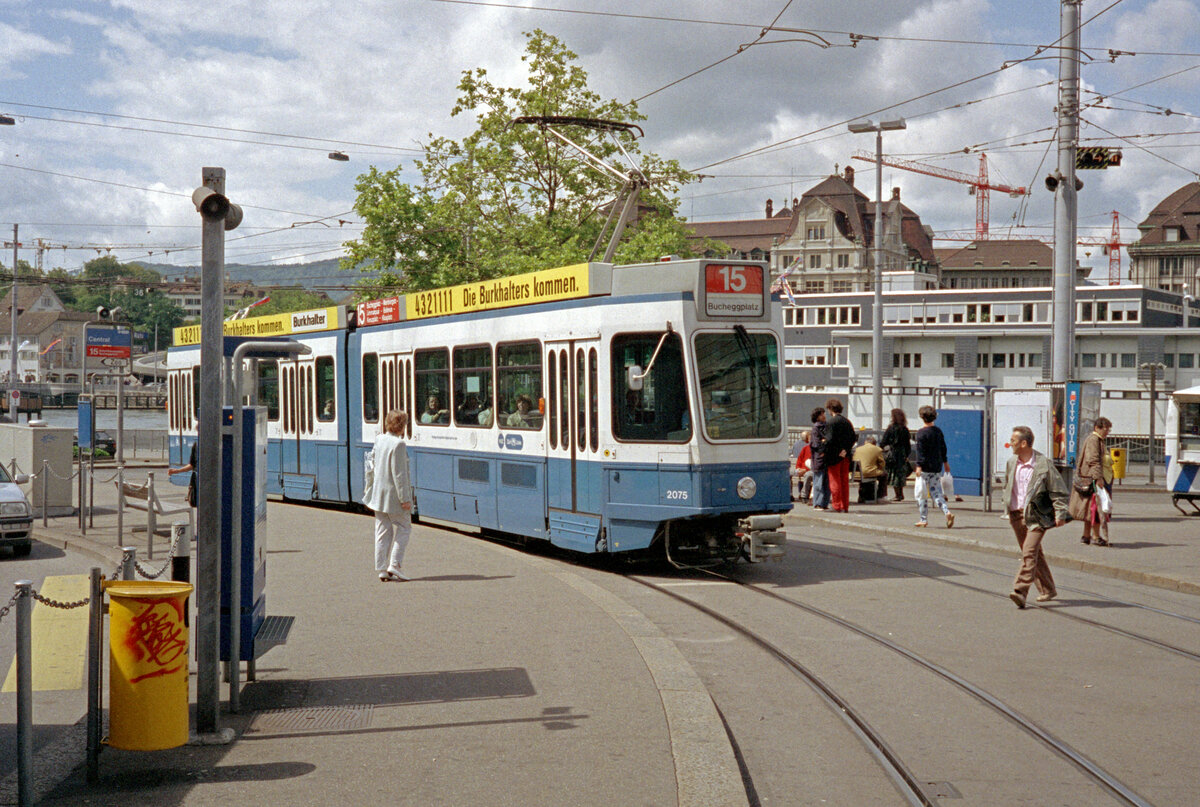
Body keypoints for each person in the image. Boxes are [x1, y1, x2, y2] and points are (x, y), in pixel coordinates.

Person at [1002, 424, 1070, 608]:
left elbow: (1058, 490)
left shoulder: (1042, 464)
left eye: (1013, 441)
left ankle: (1020, 591)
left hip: (1037, 516)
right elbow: (1007, 486)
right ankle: (1048, 589)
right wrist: (1006, 506)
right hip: (1016, 515)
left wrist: (1060, 513)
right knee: (1034, 553)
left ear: (1023, 443)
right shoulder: (1011, 463)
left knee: (1029, 552)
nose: (1010, 443)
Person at [364, 409, 415, 582]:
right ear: (401, 426)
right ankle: (395, 565)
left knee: (382, 531)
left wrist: (368, 489)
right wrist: (405, 499)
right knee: (404, 527)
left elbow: (371, 465)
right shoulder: (398, 444)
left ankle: (382, 569)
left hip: (378, 496)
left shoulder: (379, 439)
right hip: (394, 497)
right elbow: (399, 475)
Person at [1073, 416, 1114, 546]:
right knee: (1097, 509)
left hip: (1094, 479)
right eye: (1105, 429)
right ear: (1097, 428)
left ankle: (1086, 535)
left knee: (1090, 509)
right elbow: (1094, 460)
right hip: (1094, 480)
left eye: (1109, 429)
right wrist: (1098, 478)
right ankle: (1096, 537)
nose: (1107, 432)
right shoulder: (1094, 440)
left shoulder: (1098, 440)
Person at [913, 405, 954, 528]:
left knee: (922, 493)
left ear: (922, 417)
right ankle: (947, 511)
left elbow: (920, 451)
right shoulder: (938, 431)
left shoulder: (920, 433)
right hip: (936, 466)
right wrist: (945, 462)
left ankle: (923, 519)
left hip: (924, 467)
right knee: (936, 492)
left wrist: (919, 466)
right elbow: (943, 448)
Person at [823, 398, 855, 513]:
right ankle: (845, 505)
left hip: (833, 456)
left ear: (830, 408)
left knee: (835, 481)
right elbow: (853, 438)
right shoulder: (847, 422)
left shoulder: (831, 422)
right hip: (845, 456)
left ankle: (837, 505)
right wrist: (846, 450)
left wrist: (823, 450)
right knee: (844, 481)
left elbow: (829, 439)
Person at [880, 408, 912, 502]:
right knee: (899, 474)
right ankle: (900, 494)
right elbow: (908, 445)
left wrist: (885, 449)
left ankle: (898, 495)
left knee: (893, 474)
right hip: (901, 455)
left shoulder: (891, 428)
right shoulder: (905, 429)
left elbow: (883, 442)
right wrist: (906, 455)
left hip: (893, 454)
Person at [854, 436, 886, 503]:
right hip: (869, 472)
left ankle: (861, 496)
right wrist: (879, 468)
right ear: (874, 443)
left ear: (865, 442)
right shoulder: (877, 449)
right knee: (884, 475)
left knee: (864, 476)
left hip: (856, 473)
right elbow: (882, 463)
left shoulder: (858, 449)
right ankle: (880, 496)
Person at [809, 408, 830, 510]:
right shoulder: (816, 429)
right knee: (819, 482)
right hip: (819, 458)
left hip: (826, 458)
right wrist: (824, 443)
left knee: (826, 482)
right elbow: (816, 444)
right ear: (817, 417)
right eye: (822, 414)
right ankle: (817, 503)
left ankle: (824, 503)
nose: (824, 416)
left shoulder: (827, 426)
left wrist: (824, 441)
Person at [167, 440, 198, 507]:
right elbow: (192, 465)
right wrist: (177, 471)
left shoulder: (198, 444)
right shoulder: (196, 445)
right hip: (197, 483)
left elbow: (192, 465)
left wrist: (177, 471)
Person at [792, 430, 812, 503]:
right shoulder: (805, 448)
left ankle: (804, 495)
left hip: (809, 470)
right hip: (801, 469)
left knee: (808, 475)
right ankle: (789, 494)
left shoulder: (816, 450)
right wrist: (798, 468)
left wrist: (805, 470)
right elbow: (799, 460)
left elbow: (813, 464)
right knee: (788, 474)